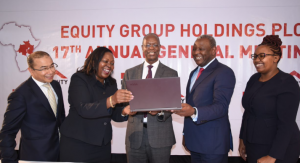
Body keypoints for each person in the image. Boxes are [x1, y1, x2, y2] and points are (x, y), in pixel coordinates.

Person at [59, 47, 133, 163]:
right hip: (78, 144)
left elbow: (114, 114)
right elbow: (84, 109)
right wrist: (112, 100)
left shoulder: (111, 83)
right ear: (94, 61)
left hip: (103, 145)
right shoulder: (79, 79)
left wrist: (125, 112)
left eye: (112, 63)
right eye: (105, 61)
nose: (109, 65)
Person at [173, 35, 236, 163]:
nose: (196, 53)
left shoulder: (224, 72)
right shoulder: (194, 73)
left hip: (213, 145)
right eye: (194, 49)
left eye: (201, 49)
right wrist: (186, 134)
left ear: (214, 50)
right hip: (194, 142)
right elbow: (190, 105)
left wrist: (194, 112)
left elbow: (221, 107)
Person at [239, 35, 300, 163]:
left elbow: (286, 124)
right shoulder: (253, 79)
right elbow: (248, 112)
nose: (257, 60)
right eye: (255, 56)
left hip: (279, 149)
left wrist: (273, 156)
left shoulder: (287, 83)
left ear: (276, 58)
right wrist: (242, 140)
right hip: (254, 145)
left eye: (262, 56)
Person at [122, 33, 178, 163]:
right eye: (147, 45)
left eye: (154, 45)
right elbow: (123, 103)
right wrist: (127, 109)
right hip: (135, 137)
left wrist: (159, 112)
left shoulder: (171, 73)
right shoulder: (130, 73)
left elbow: (173, 104)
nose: (151, 48)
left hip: (161, 136)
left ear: (159, 48)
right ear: (142, 48)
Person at [0, 51, 65, 163]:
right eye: (44, 68)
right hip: (35, 156)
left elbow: (60, 119)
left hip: (60, 152)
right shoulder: (21, 95)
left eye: (52, 66)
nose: (51, 71)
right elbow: (7, 132)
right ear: (31, 70)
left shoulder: (56, 85)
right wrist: (9, 160)